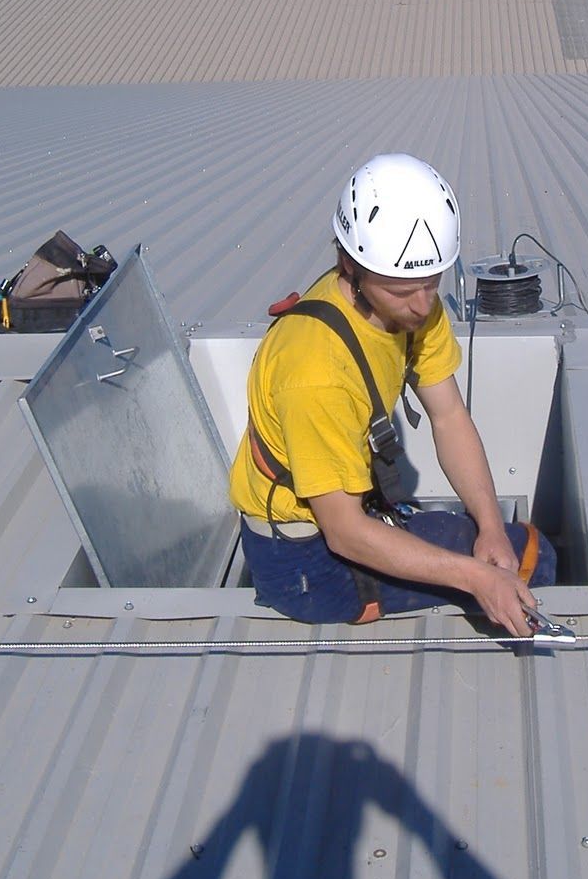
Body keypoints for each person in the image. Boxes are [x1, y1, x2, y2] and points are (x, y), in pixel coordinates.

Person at [228, 154, 556, 637]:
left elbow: (449, 417)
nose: (423, 305)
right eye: (403, 290)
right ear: (350, 266)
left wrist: (488, 524)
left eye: (432, 283)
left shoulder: (411, 304)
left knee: (514, 549)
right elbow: (344, 534)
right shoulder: (315, 371)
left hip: (346, 518)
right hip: (304, 561)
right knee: (536, 564)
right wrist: (475, 577)